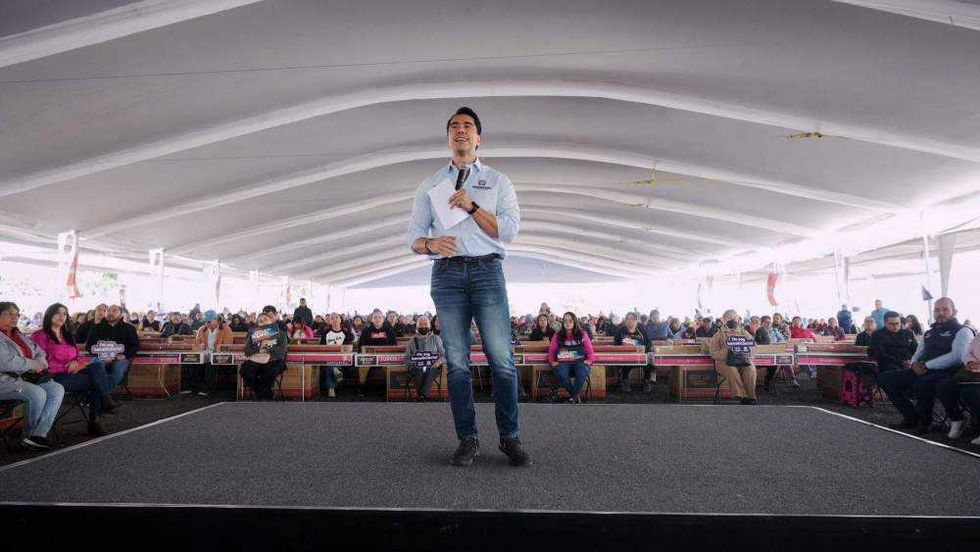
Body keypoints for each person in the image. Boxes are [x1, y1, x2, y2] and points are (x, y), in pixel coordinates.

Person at [405, 106, 528, 467]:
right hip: (446, 276)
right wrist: (430, 245)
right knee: (457, 362)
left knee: (502, 361)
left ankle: (510, 437)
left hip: (488, 272)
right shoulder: (430, 185)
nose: (461, 131)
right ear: (448, 137)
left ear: (478, 138)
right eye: (455, 127)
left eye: (468, 127)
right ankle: (468, 439)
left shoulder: (498, 181)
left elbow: (509, 230)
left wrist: (472, 206)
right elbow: (413, 235)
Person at [878, 298, 973, 435]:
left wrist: (926, 365)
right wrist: (913, 363)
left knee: (921, 384)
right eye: (937, 310)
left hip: (947, 372)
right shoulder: (930, 332)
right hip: (922, 369)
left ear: (954, 311)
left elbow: (956, 357)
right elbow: (919, 351)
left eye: (945, 309)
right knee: (885, 379)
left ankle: (925, 423)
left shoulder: (963, 331)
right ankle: (912, 418)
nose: (940, 312)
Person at [31, 303, 116, 436]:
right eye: (58, 313)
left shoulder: (67, 335)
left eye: (64, 314)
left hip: (74, 373)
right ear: (49, 315)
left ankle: (101, 405)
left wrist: (78, 363)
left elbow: (78, 356)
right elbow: (40, 362)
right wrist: (65, 366)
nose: (61, 316)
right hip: (54, 377)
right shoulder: (40, 335)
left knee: (97, 367)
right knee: (96, 381)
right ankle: (96, 418)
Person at [0, 301, 64, 450]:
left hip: (25, 378)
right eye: (9, 314)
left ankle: (39, 434)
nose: (14, 318)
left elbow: (39, 351)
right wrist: (33, 365)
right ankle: (28, 436)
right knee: (37, 393)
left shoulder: (18, 334)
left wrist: (40, 363)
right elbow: (6, 362)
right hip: (4, 380)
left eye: (17, 314)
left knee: (56, 389)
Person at [84, 305, 139, 392]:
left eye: (114, 311)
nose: (110, 313)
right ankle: (105, 397)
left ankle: (104, 395)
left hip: (120, 358)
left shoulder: (129, 328)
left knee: (118, 368)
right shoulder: (97, 327)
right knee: (95, 364)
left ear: (121, 314)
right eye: (108, 311)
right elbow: (88, 346)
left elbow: (135, 346)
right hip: (100, 357)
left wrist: (125, 355)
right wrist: (101, 355)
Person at [937, 332, 980, 443]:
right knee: (944, 386)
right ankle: (956, 419)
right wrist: (970, 362)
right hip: (972, 372)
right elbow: (969, 352)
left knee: (970, 392)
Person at [708, 309, 757, 405]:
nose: (732, 320)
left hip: (742, 361)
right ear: (724, 320)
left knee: (750, 368)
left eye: (734, 318)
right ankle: (742, 396)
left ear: (738, 320)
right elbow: (713, 353)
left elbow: (754, 347)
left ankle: (751, 396)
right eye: (729, 318)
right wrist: (728, 351)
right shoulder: (718, 335)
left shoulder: (744, 332)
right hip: (724, 363)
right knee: (731, 369)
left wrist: (745, 351)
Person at [548, 312, 595, 403]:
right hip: (563, 363)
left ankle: (573, 396)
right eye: (565, 320)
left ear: (574, 321)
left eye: (570, 320)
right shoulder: (557, 335)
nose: (567, 322)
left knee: (582, 371)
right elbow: (552, 351)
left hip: (580, 362)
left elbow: (590, 351)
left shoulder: (582, 334)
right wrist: (552, 361)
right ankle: (575, 396)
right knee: (561, 373)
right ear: (562, 322)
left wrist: (589, 360)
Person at [240, 311, 287, 400]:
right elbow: (247, 351)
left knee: (270, 371)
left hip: (274, 360)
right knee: (244, 371)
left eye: (266, 319)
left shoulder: (281, 334)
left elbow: (281, 352)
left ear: (271, 321)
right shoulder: (253, 335)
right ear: (258, 324)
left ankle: (260, 395)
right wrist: (260, 348)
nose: (263, 321)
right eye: (260, 320)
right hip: (255, 360)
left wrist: (266, 350)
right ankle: (264, 393)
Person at [404, 316, 446, 401]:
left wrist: (438, 362)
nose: (423, 326)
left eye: (425, 324)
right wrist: (413, 363)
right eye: (421, 324)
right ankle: (423, 396)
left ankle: (421, 396)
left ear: (430, 326)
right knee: (418, 371)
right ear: (417, 326)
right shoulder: (412, 340)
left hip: (433, 367)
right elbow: (407, 358)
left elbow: (444, 355)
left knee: (430, 370)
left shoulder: (436, 338)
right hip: (417, 367)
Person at [190, 312, 232, 396]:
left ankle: (208, 389)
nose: (206, 323)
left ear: (217, 320)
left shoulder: (226, 329)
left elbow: (227, 345)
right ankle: (195, 388)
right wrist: (200, 347)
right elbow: (197, 343)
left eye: (209, 321)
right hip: (205, 353)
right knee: (193, 361)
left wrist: (215, 352)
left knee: (211, 362)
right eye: (205, 321)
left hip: (219, 354)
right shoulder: (202, 329)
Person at [614, 312, 654, 393]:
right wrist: (623, 345)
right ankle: (625, 381)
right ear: (625, 320)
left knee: (650, 362)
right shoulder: (621, 330)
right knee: (625, 365)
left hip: (641, 355)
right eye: (628, 319)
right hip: (626, 356)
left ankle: (646, 382)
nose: (630, 321)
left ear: (636, 321)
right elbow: (616, 342)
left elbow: (649, 342)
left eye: (632, 319)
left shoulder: (641, 330)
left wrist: (643, 350)